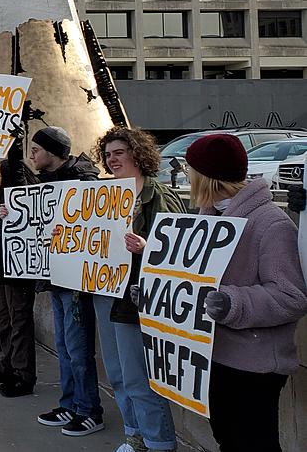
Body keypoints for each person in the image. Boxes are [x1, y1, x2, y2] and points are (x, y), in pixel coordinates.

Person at [185, 134, 307, 452]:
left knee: (254, 443)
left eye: (191, 170)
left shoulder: (271, 224)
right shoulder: (209, 217)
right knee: (227, 438)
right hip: (215, 354)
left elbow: (291, 296)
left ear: (206, 176)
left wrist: (232, 303)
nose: (187, 176)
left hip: (255, 365)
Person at [94, 127, 180, 452]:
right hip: (107, 292)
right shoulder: (103, 195)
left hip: (139, 297)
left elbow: (177, 247)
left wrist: (148, 248)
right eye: (108, 154)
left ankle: (159, 442)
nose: (112, 159)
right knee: (117, 372)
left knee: (139, 378)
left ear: (136, 154)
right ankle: (135, 435)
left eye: (119, 152)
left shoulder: (158, 194)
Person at [27, 126, 106, 437]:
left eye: (36, 150)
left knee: (78, 347)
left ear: (52, 152)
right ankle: (71, 403)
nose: (31, 155)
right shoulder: (45, 182)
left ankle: (90, 410)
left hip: (76, 281)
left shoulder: (83, 182)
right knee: (64, 345)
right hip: (55, 277)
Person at [0, 154, 40, 397]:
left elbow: (14, 172)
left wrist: (15, 139)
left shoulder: (17, 197)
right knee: (4, 318)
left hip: (17, 268)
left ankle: (23, 375)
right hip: (0, 268)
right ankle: (7, 364)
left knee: (19, 321)